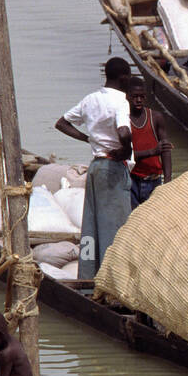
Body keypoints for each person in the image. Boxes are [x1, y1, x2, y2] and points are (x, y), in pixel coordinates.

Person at [54, 57, 134, 278]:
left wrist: (88, 139)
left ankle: (88, 277)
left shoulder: (90, 99)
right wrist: (126, 150)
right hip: (113, 169)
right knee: (116, 229)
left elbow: (61, 123)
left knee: (91, 226)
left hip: (96, 167)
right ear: (124, 77)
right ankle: (114, 280)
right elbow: (124, 131)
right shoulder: (120, 101)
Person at [122, 76, 174, 208]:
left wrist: (168, 181)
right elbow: (124, 154)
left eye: (142, 96)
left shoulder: (156, 117)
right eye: (134, 97)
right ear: (127, 96)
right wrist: (152, 151)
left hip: (153, 180)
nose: (138, 100)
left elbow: (165, 150)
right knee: (132, 221)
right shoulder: (122, 120)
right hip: (131, 179)